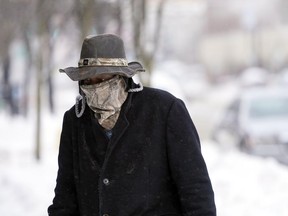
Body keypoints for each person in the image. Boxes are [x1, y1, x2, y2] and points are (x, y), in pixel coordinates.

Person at [48, 34, 216, 216]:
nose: (94, 87)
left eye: (102, 78)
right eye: (87, 80)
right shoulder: (75, 121)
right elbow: (65, 198)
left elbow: (196, 191)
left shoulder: (164, 110)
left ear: (121, 77)